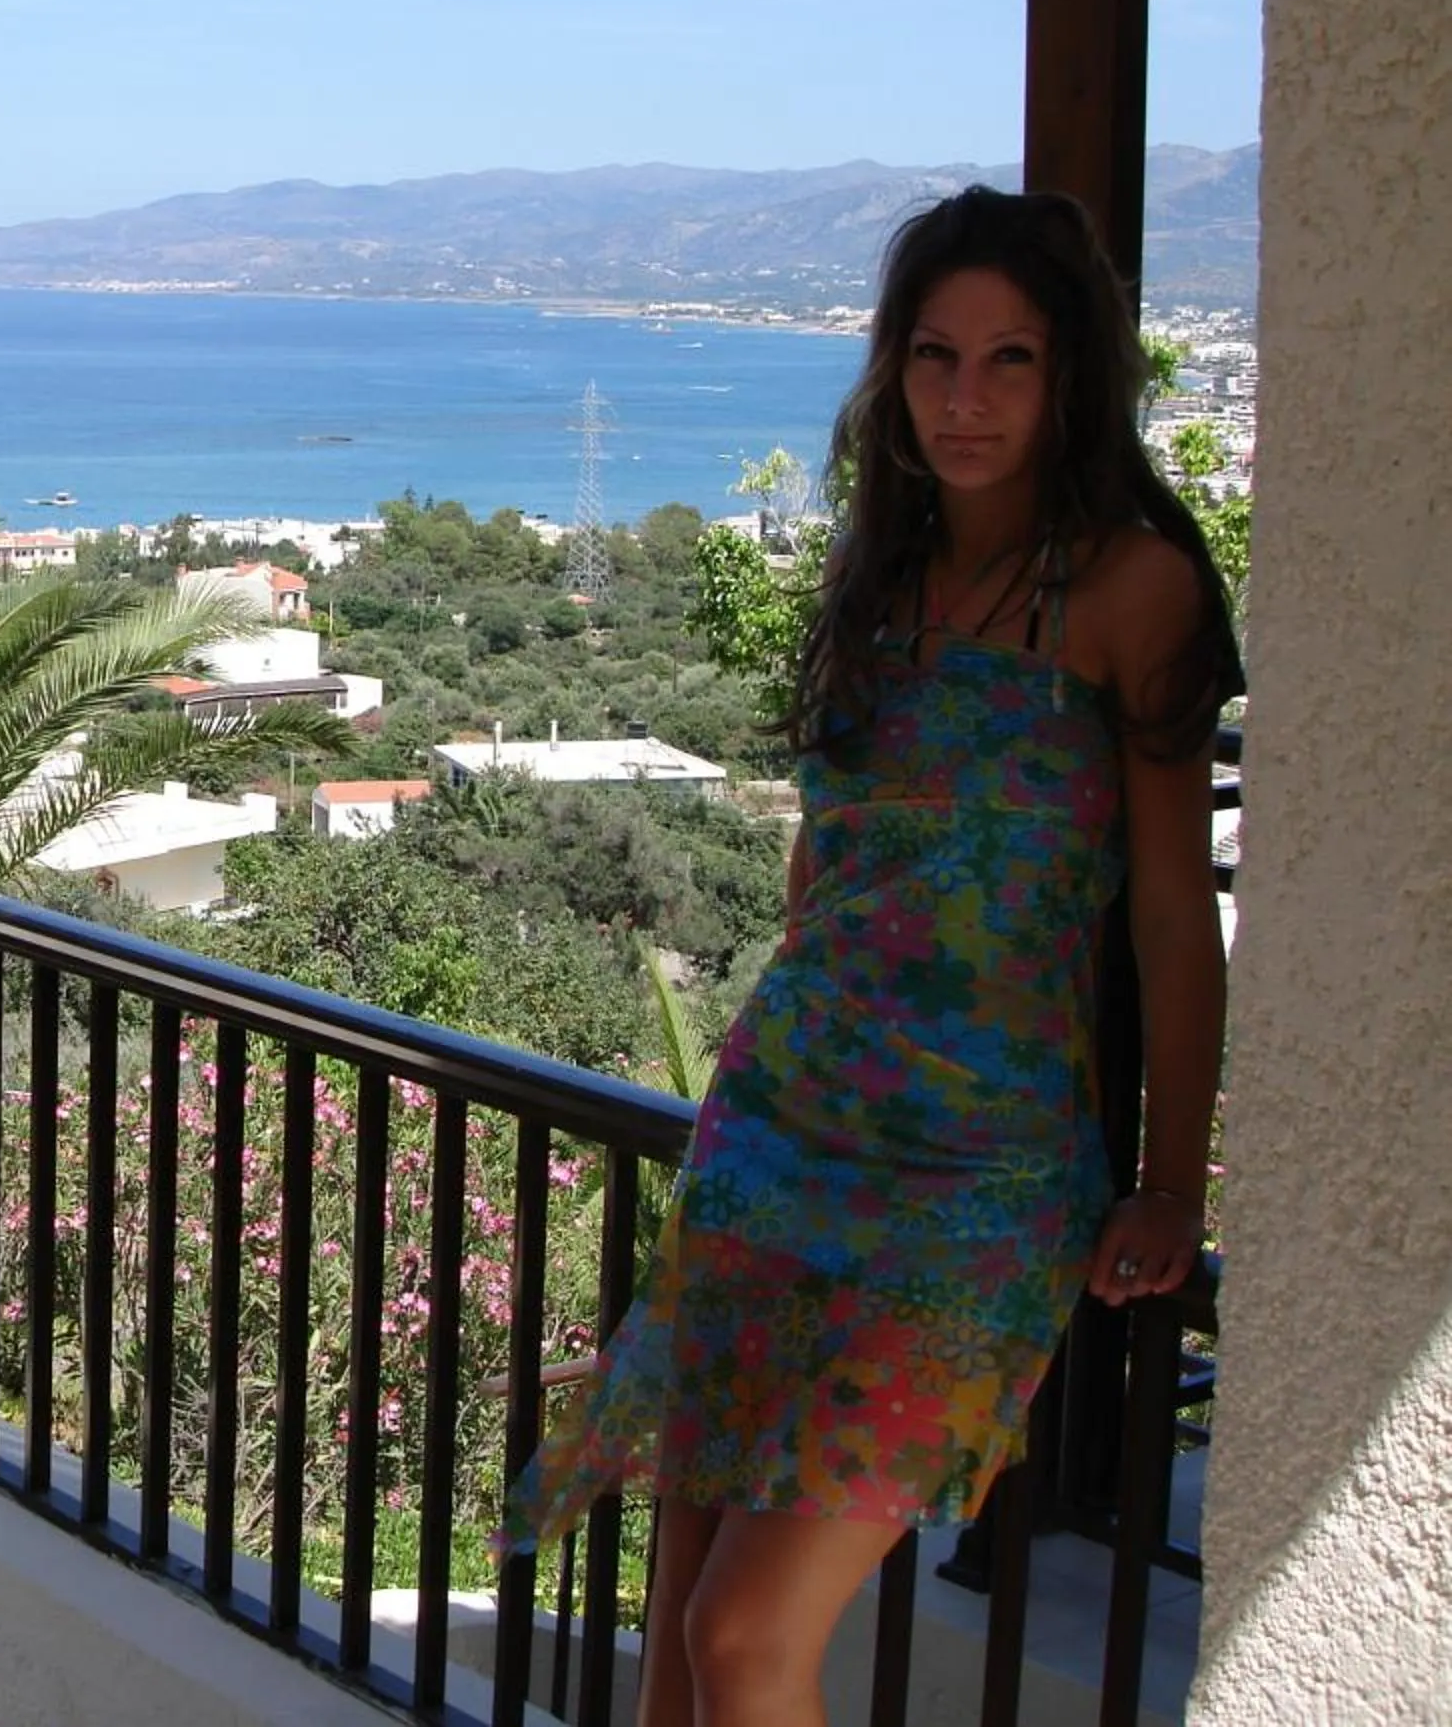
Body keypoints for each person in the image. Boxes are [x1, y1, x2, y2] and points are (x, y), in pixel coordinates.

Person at [499, 187, 1242, 1727]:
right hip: (784, 1134)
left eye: (1010, 358)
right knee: (678, 1635)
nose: (966, 398)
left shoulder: (1135, 589)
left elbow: (1174, 915)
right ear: (893, 371)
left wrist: (1173, 1181)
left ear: (1072, 376)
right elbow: (824, 869)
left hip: (977, 1180)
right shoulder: (876, 578)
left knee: (749, 1633)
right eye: (934, 356)